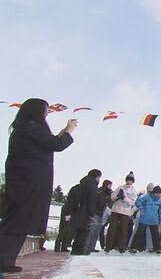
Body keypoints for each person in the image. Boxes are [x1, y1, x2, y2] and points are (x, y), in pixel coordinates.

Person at [0, 98, 76, 273]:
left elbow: (49, 142)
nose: (47, 113)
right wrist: (70, 131)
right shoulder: (31, 127)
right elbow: (56, 145)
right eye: (45, 109)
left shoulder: (27, 128)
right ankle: (4, 259)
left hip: (25, 182)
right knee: (17, 223)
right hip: (26, 183)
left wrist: (64, 131)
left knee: (18, 222)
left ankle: (6, 260)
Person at [68, 169, 102, 255]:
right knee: (84, 231)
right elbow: (92, 200)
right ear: (97, 176)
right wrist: (92, 213)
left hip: (77, 211)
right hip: (86, 212)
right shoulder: (92, 186)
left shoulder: (81, 184)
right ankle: (79, 250)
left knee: (79, 230)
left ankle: (75, 249)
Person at [105, 172, 137, 253]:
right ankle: (108, 246)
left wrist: (124, 198)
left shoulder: (133, 190)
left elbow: (132, 202)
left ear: (133, 182)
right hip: (116, 210)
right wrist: (117, 196)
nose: (129, 182)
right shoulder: (120, 188)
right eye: (128, 180)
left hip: (125, 212)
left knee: (124, 229)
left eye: (131, 180)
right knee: (112, 228)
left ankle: (122, 246)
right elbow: (112, 197)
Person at [130, 186, 161, 254]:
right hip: (144, 219)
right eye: (156, 193)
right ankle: (133, 247)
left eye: (159, 194)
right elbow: (137, 202)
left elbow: (160, 211)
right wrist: (141, 208)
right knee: (139, 233)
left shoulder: (159, 200)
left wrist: (160, 219)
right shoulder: (146, 197)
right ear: (153, 193)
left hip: (154, 220)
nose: (158, 195)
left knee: (156, 235)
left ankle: (157, 249)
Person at [85, 179, 112, 253]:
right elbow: (96, 201)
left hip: (100, 213)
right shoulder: (100, 191)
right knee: (92, 231)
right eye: (109, 185)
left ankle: (91, 247)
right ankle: (86, 247)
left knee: (97, 232)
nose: (110, 187)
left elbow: (107, 201)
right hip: (95, 213)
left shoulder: (107, 193)